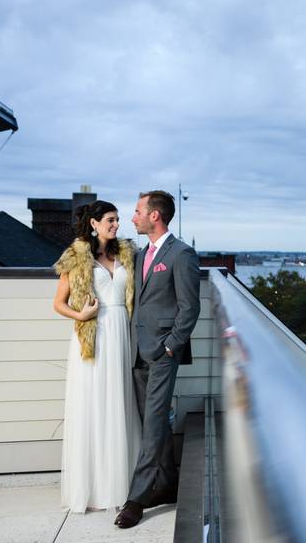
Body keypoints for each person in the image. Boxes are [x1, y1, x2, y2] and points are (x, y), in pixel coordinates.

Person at [115, 190, 200, 529]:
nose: (132, 217)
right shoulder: (139, 254)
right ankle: (167, 485)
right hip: (138, 350)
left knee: (152, 424)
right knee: (154, 422)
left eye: (137, 211)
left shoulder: (181, 254)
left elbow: (189, 307)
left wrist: (170, 347)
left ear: (155, 216)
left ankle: (137, 499)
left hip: (163, 354)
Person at [53, 201, 141, 512]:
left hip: (121, 334)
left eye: (118, 219)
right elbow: (58, 303)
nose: (117, 224)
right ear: (93, 223)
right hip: (93, 336)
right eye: (110, 220)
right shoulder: (77, 257)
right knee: (93, 404)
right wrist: (81, 313)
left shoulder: (127, 255)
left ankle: (121, 483)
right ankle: (92, 488)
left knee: (119, 402)